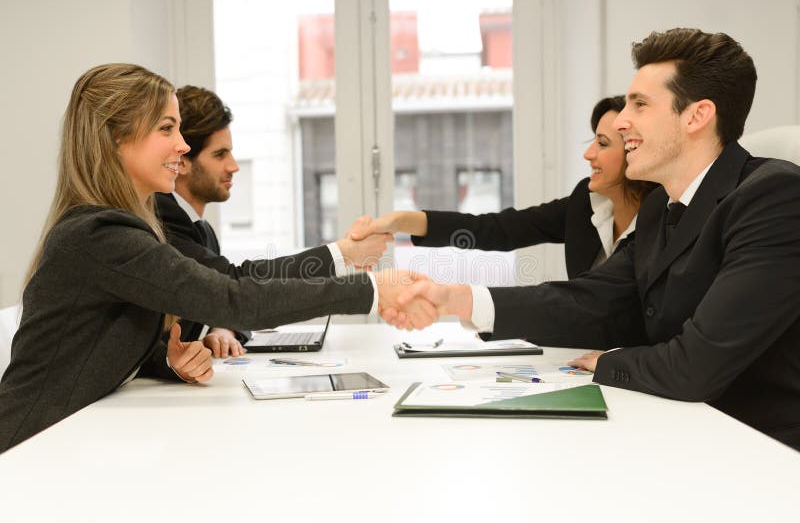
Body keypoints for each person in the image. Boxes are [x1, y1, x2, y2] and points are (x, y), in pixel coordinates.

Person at [389, 28, 800, 450]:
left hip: (764, 451)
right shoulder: (660, 206)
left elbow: (696, 366)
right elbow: (594, 301)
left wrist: (609, 362)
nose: (622, 122)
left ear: (696, 116)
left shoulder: (774, 197)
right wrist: (458, 299)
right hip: (685, 428)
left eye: (640, 105)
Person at [0, 63, 433, 453]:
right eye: (166, 129)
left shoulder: (113, 230)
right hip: (27, 449)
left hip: (68, 442)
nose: (182, 146)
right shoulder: (99, 235)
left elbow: (94, 346)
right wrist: (373, 289)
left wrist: (169, 360)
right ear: (117, 138)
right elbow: (234, 298)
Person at [155, 86, 391, 357]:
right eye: (220, 155)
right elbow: (235, 283)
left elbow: (222, 299)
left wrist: (224, 328)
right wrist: (343, 254)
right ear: (182, 160)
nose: (234, 166)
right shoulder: (163, 221)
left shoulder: (202, 229)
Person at [351, 96, 656, 278]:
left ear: (635, 149)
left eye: (602, 144)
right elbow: (497, 228)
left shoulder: (667, 217)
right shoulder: (585, 202)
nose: (588, 154)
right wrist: (400, 221)